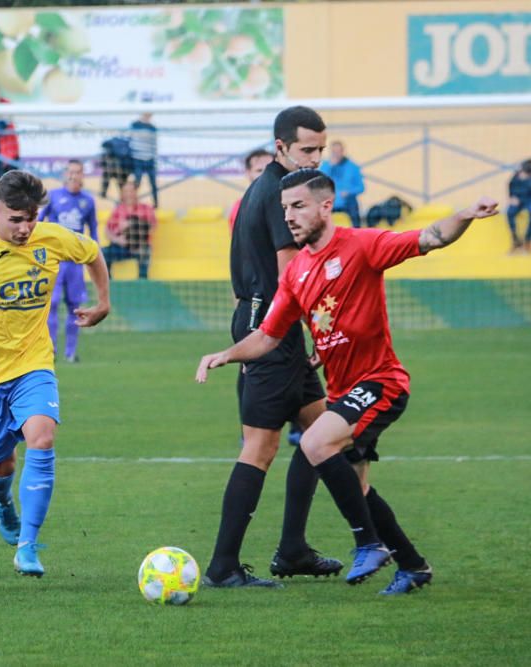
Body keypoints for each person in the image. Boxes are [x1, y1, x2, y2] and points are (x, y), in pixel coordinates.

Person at [198, 168, 498, 594]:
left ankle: (368, 542)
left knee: (316, 443)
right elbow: (267, 335)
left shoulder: (362, 245)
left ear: (325, 205)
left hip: (381, 382)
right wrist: (226, 354)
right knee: (357, 483)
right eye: (285, 209)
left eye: (298, 206)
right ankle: (412, 565)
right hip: (344, 392)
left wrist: (465, 214)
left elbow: (429, 236)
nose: (289, 217)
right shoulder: (297, 272)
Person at [0, 170, 110, 577]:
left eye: (32, 217)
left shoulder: (52, 237)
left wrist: (103, 301)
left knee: (42, 438)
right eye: (16, 219)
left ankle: (28, 546)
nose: (26, 227)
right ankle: (2, 502)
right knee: (1, 466)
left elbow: (93, 252)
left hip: (33, 364)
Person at [203, 106, 342, 589]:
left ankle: (293, 549)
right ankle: (223, 566)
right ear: (280, 147)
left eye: (321, 149)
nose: (316, 158)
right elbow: (292, 276)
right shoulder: (282, 195)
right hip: (271, 325)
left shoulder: (271, 188)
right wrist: (325, 331)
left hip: (275, 322)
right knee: (260, 447)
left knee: (322, 432)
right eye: (307, 149)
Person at [228, 148, 302, 447]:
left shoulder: (282, 200)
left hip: (277, 301)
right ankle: (251, 429)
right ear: (248, 174)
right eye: (255, 170)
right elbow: (245, 255)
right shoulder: (245, 206)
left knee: (317, 421)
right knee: (260, 448)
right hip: (262, 301)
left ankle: (297, 426)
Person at [38, 159, 98, 362]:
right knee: (51, 303)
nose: (74, 176)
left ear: (82, 176)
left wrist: (94, 260)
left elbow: (94, 232)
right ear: (65, 174)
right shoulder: (53, 197)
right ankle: (51, 350)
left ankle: (70, 353)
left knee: (75, 307)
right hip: (54, 260)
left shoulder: (88, 201)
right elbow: (38, 223)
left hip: (75, 262)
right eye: (71, 172)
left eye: (78, 172)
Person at [102, 180, 156, 279]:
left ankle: (142, 282)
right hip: (122, 247)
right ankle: (108, 283)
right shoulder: (118, 210)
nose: (129, 194)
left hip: (140, 246)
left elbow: (152, 227)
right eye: (126, 191)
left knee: (146, 251)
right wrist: (118, 237)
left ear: (136, 192)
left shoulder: (146, 208)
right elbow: (107, 231)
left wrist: (134, 225)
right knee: (102, 253)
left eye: (131, 191)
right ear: (122, 194)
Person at [320, 141, 365, 228]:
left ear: (343, 151)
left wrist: (349, 192)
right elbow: (319, 183)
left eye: (338, 151)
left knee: (354, 207)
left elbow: (361, 187)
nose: (336, 154)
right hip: (330, 201)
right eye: (334, 152)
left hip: (347, 202)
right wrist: (330, 167)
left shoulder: (353, 167)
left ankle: (357, 231)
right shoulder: (325, 166)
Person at [228, 149, 273, 233]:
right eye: (259, 170)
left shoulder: (288, 202)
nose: (266, 174)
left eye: (270, 169)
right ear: (248, 173)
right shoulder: (240, 208)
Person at [129, 112, 158, 208]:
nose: (148, 116)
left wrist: (154, 158)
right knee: (137, 182)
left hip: (150, 159)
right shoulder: (135, 125)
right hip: (138, 158)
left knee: (153, 183)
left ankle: (156, 204)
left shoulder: (153, 127)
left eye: (149, 115)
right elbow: (132, 139)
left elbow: (154, 145)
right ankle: (132, 202)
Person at [506, 158, 531, 253]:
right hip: (518, 199)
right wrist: (512, 197)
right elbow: (510, 185)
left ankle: (528, 240)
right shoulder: (516, 175)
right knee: (510, 212)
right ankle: (516, 240)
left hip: (529, 199)